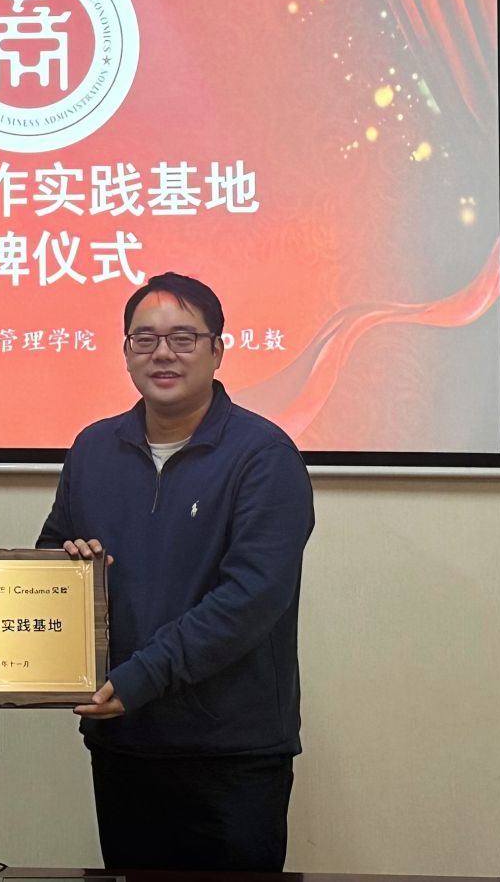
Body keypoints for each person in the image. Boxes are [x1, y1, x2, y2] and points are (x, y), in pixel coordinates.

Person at [37, 272, 315, 872]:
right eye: (145, 339)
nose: (162, 353)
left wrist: (142, 677)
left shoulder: (264, 456)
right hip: (124, 743)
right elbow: (52, 557)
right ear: (126, 352)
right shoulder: (92, 449)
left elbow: (251, 598)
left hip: (231, 753)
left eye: (184, 338)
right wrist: (68, 565)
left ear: (218, 350)